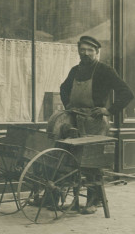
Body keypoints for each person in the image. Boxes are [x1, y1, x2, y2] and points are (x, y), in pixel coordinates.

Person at [57, 35, 134, 214]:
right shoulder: (75, 70)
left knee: (92, 162)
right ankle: (61, 197)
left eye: (89, 50)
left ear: (97, 52)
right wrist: (68, 105)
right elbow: (63, 88)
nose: (85, 53)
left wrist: (109, 111)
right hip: (74, 119)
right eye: (82, 50)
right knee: (67, 158)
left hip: (95, 122)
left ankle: (94, 200)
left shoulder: (105, 70)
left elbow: (126, 92)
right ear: (78, 51)